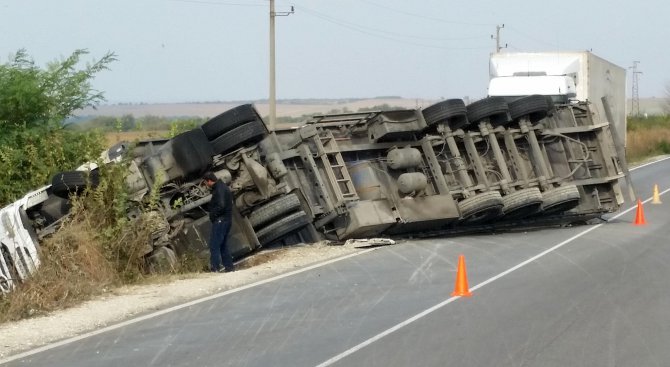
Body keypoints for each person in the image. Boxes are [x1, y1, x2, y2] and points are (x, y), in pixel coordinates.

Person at [203, 171, 234, 273]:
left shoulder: (219, 189)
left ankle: (215, 268)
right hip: (227, 219)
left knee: (214, 245)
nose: (206, 185)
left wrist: (213, 215)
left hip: (221, 220)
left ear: (209, 181)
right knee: (223, 245)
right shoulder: (222, 187)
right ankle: (229, 267)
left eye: (205, 183)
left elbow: (221, 205)